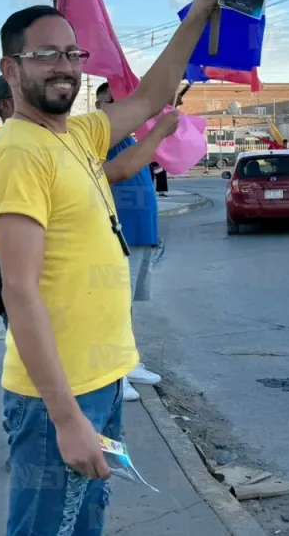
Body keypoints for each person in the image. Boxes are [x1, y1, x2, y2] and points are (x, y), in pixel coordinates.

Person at [0, 0, 232, 536]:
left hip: (101, 379)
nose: (64, 65)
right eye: (46, 54)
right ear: (10, 69)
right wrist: (66, 418)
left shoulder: (76, 135)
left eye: (71, 52)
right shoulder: (19, 152)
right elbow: (19, 291)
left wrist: (201, 10)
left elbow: (151, 94)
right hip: (56, 398)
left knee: (82, 522)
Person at [95, 82, 180, 402]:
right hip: (118, 236)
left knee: (125, 307)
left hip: (141, 236)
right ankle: (113, 374)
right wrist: (156, 130)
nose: (123, 106)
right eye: (114, 100)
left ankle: (127, 363)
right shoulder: (104, 138)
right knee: (113, 306)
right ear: (100, 104)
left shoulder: (128, 137)